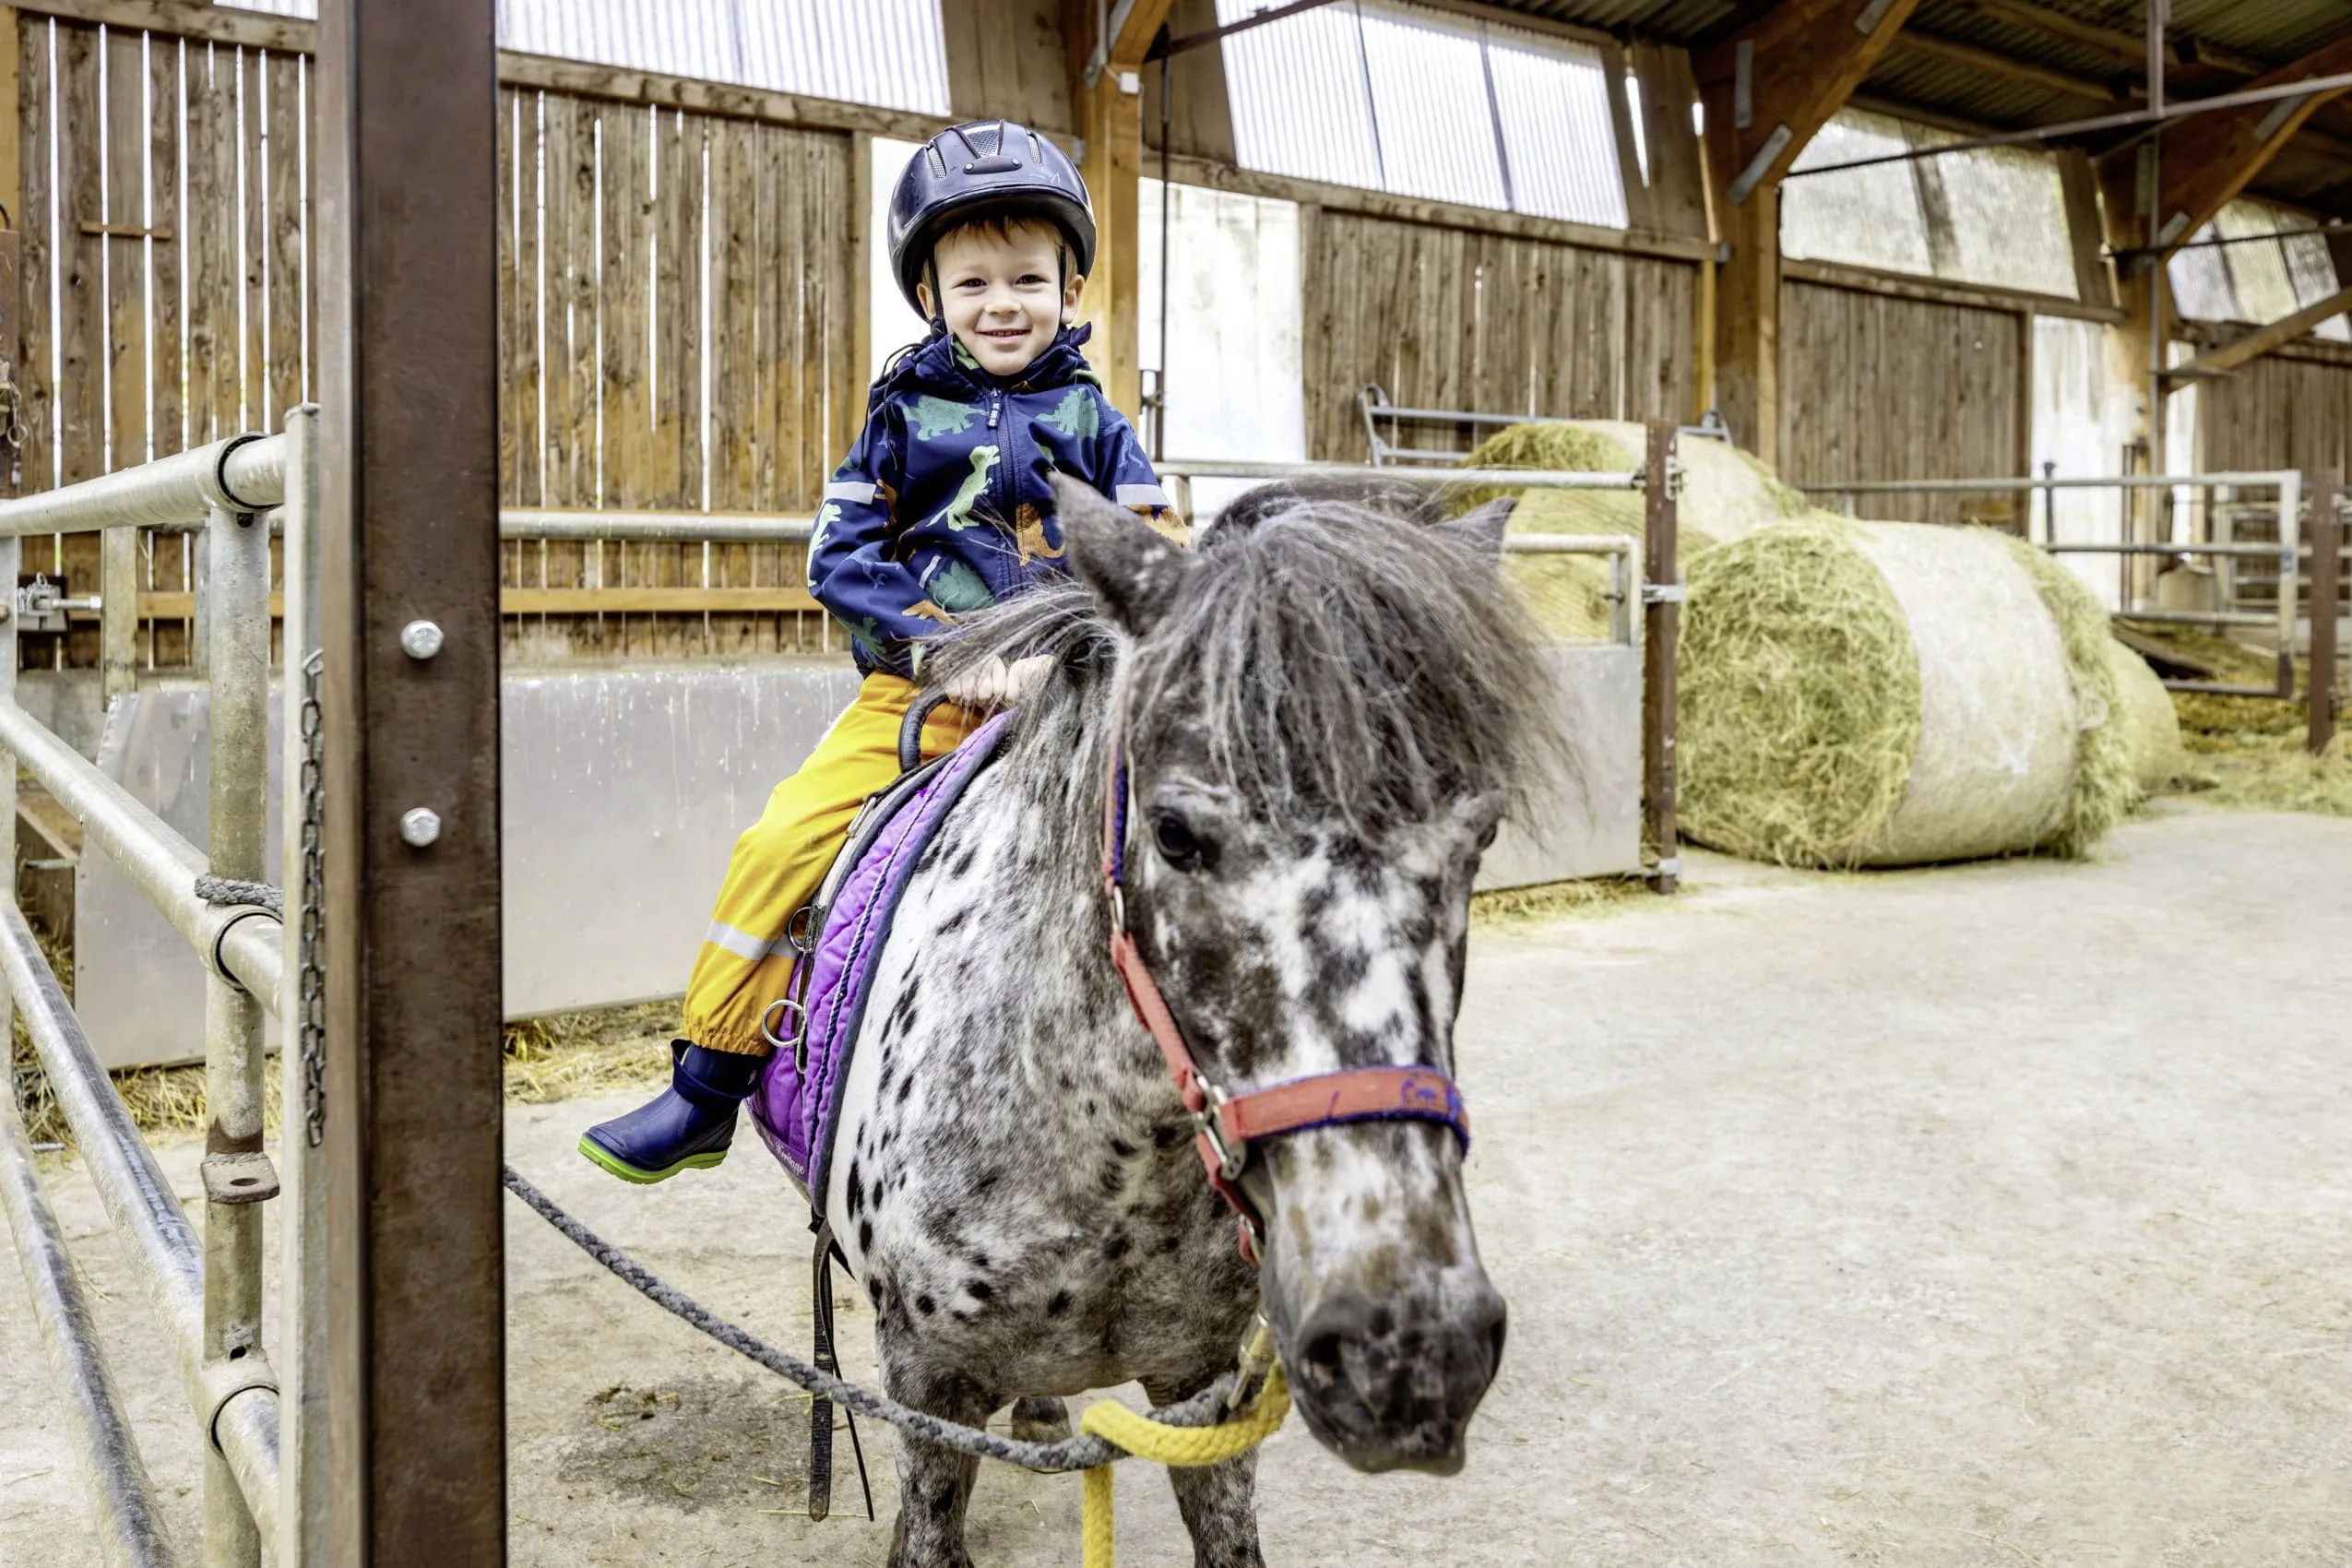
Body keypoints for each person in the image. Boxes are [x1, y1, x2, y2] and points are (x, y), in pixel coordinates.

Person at [579, 120, 1172, 1183]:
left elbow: (1148, 551)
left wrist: (1082, 653)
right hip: (922, 697)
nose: (1003, 304)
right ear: (930, 298)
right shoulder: (901, 419)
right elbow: (839, 557)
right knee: (779, 841)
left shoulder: (1100, 423)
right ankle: (707, 1080)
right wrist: (945, 652)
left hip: (1070, 706)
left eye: (1029, 279)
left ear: (1071, 289)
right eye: (975, 281)